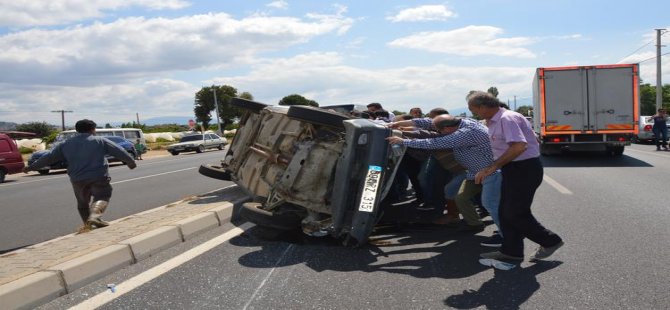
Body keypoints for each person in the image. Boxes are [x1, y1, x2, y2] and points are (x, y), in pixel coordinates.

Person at [468, 91, 563, 266]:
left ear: (483, 107)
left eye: (474, 110)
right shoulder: (496, 119)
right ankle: (511, 252)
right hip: (513, 168)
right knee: (506, 212)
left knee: (515, 213)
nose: (475, 113)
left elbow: (519, 146)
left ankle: (551, 241)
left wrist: (493, 167)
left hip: (524, 169)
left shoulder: (507, 119)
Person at [387, 114, 503, 238]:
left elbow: (435, 142)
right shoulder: (461, 122)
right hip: (475, 172)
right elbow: (427, 122)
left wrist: (403, 141)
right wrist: (395, 124)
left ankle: (506, 236)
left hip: (490, 171)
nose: (438, 132)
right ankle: (475, 224)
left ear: (447, 128)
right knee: (460, 197)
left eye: (439, 130)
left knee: (491, 204)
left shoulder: (466, 132)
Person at [23, 119, 137, 230]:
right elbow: (119, 151)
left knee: (82, 203)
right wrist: (131, 162)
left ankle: (89, 225)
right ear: (93, 129)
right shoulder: (100, 140)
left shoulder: (65, 144)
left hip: (77, 178)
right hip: (98, 176)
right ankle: (94, 217)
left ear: (77, 130)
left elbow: (49, 157)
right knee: (102, 195)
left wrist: (32, 167)